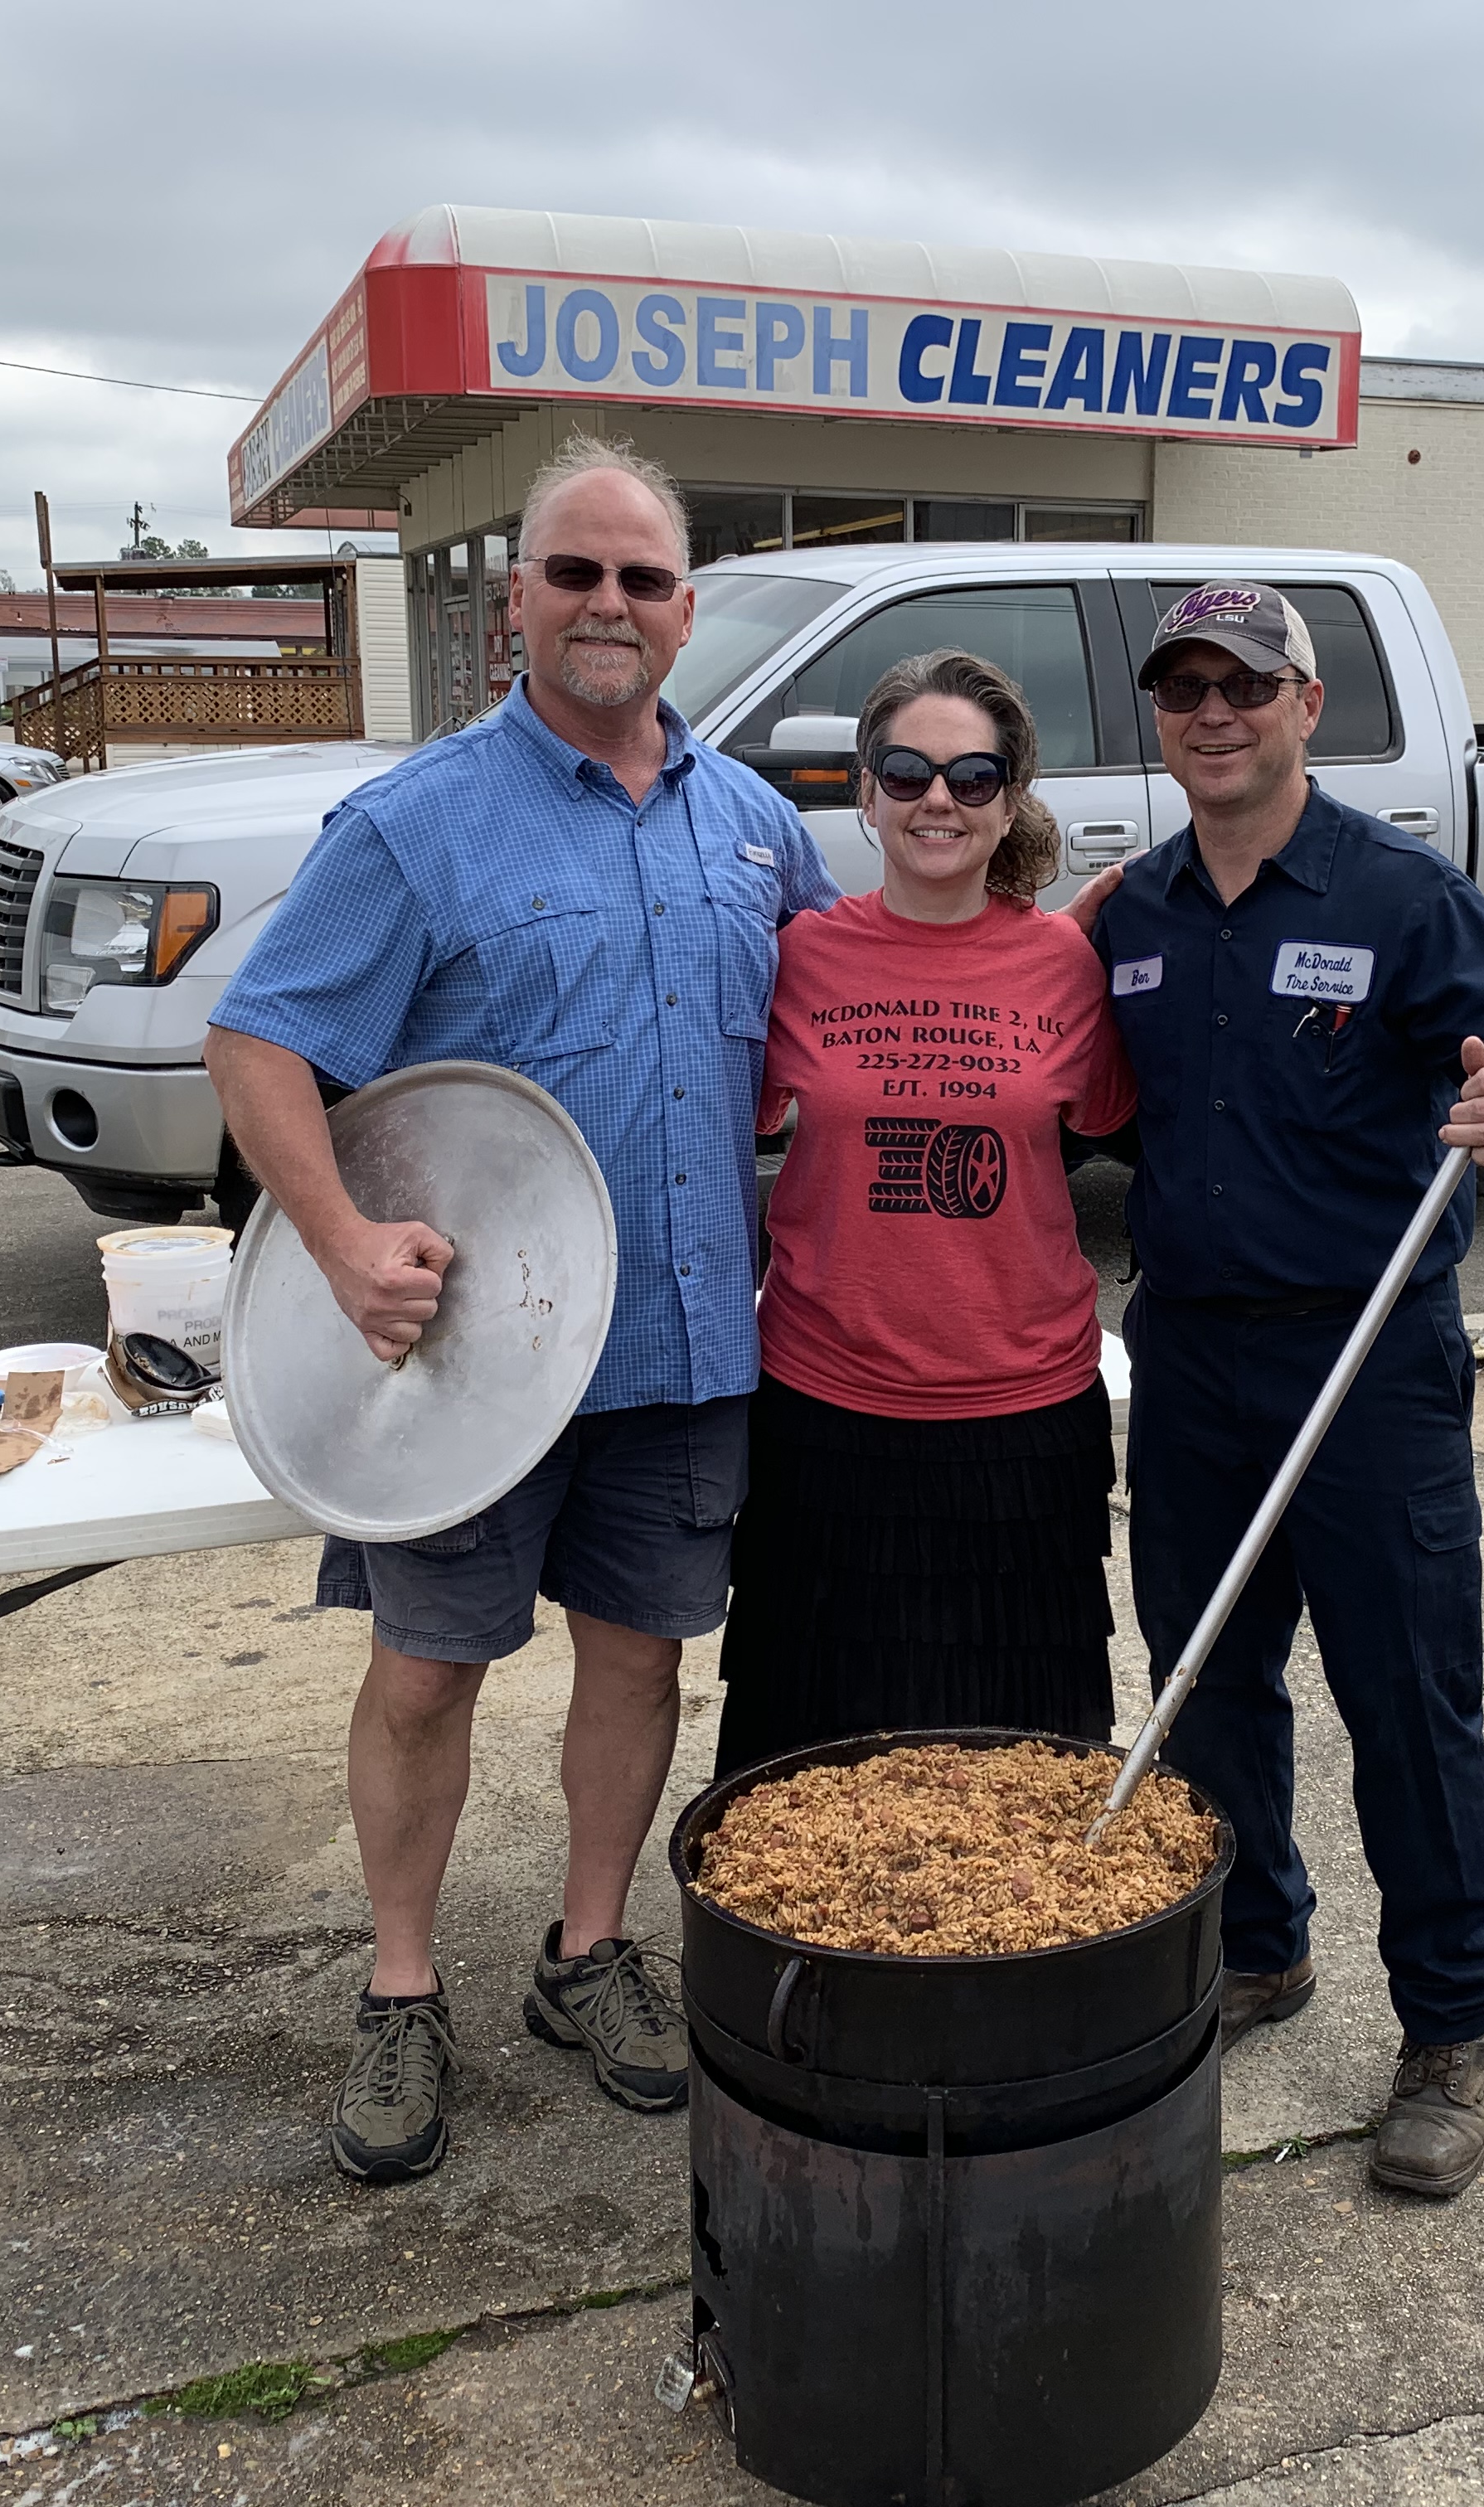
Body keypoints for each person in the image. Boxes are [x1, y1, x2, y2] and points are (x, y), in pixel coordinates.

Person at [201, 435, 840, 2185]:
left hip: (687, 1349)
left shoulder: (757, 832)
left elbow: (874, 1013)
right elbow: (262, 1044)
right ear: (519, 599)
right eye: (577, 572)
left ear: (687, 610)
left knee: (640, 1661)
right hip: (469, 1368)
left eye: (643, 578)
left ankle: (585, 1952)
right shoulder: (416, 828)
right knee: (428, 1675)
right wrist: (334, 1241)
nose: (609, 605)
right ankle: (402, 1989)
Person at [1076, 581, 1484, 2201]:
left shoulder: (1398, 895)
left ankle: (1452, 2027)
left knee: (1407, 1703)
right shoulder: (1133, 914)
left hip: (1369, 1364)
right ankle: (1257, 1947)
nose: (1214, 712)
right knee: (1209, 1679)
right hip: (1194, 1357)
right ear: (1158, 717)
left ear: (1305, 706)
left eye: (1248, 684)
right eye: (1185, 689)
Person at [715, 649, 1138, 1777]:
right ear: (864, 793)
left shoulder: (1069, 968)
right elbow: (707, 1131)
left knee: (1017, 1764)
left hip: (1023, 1418)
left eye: (971, 776)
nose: (937, 799)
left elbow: (1144, 1115)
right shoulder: (799, 958)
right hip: (825, 1411)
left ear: (1010, 803)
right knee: (814, 1752)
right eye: (905, 773)